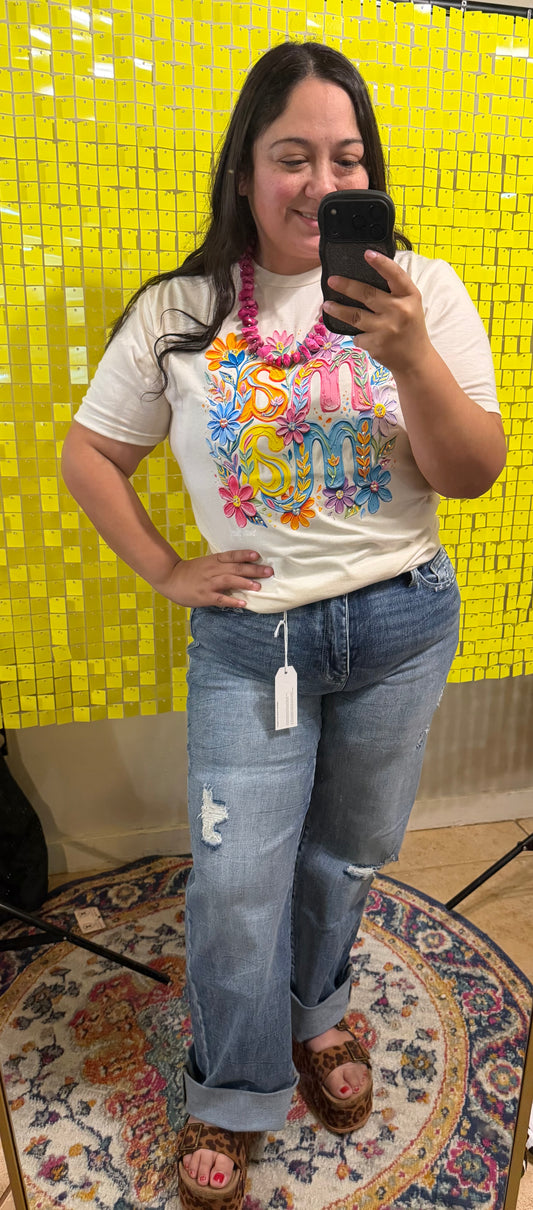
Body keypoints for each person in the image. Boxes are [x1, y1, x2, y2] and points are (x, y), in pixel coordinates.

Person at [62, 40, 506, 1210]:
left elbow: (470, 473)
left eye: (346, 157)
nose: (321, 181)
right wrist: (166, 568)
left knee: (345, 851)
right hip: (251, 643)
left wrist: (409, 353)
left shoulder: (422, 292)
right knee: (236, 882)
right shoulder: (182, 309)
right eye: (292, 155)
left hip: (401, 624)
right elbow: (91, 453)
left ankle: (317, 1014)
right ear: (244, 168)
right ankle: (232, 1085)